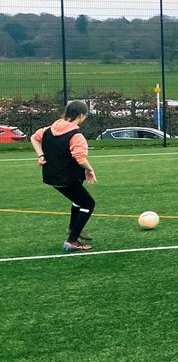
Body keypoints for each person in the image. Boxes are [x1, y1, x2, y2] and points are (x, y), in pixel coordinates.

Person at [31, 100, 99, 252]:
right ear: (81, 115)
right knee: (88, 204)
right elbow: (80, 158)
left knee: (78, 200)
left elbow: (34, 138)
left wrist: (41, 155)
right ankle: (72, 240)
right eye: (85, 115)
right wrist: (90, 169)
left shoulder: (49, 129)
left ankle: (73, 228)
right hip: (68, 178)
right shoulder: (76, 135)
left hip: (51, 176)